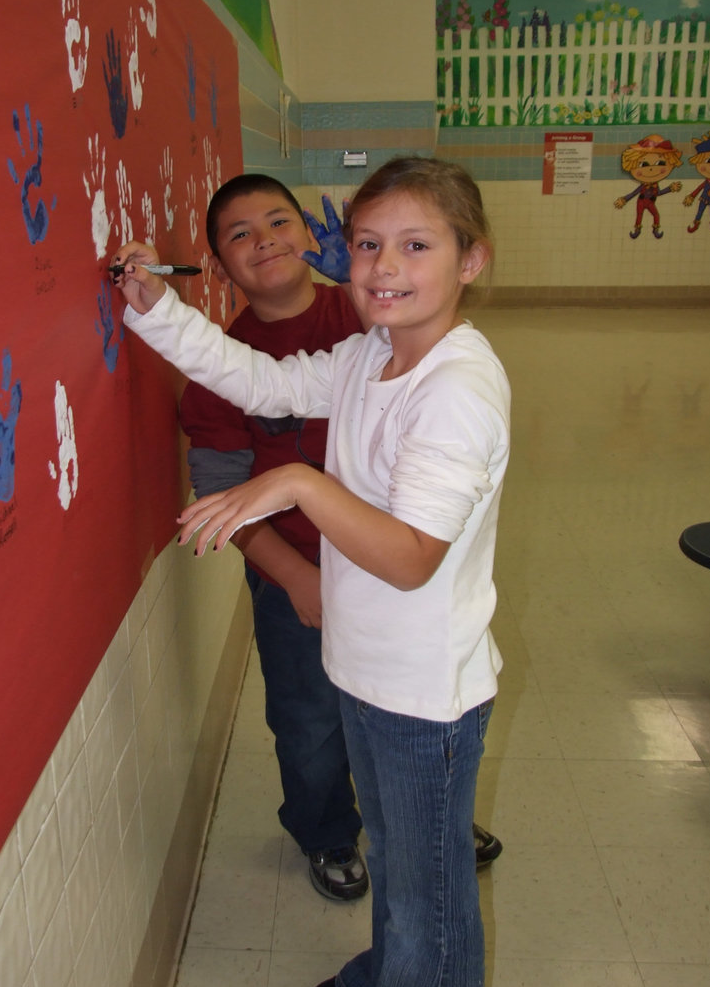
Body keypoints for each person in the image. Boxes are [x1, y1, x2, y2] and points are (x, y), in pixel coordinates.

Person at [114, 157, 510, 987]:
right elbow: (266, 382)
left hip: (422, 697)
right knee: (402, 866)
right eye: (367, 244)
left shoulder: (457, 389)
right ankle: (382, 979)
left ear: (471, 259)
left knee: (430, 902)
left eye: (415, 245)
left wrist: (296, 481)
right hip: (365, 671)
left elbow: (409, 559)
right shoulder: (371, 353)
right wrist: (157, 309)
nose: (384, 266)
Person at [180, 173, 502, 900]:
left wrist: (361, 281)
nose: (265, 241)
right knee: (312, 721)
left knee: (396, 729)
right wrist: (295, 576)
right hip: (296, 570)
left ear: (312, 233)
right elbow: (229, 463)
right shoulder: (233, 362)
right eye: (239, 235)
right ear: (221, 268)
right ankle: (330, 828)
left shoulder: (368, 318)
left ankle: (427, 819)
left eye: (279, 221)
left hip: (391, 577)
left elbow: (429, 357)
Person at [613, 134, 682, 239]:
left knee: (656, 215)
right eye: (643, 164)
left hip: (650, 202)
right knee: (639, 215)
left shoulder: (655, 185)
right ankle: (637, 230)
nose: (651, 169)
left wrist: (670, 188)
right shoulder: (644, 186)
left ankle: (655, 230)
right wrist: (624, 199)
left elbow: (659, 193)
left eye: (660, 163)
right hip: (641, 201)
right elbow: (634, 193)